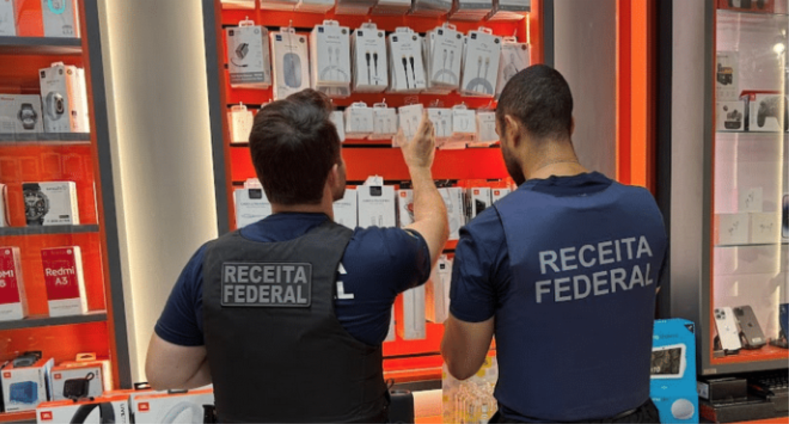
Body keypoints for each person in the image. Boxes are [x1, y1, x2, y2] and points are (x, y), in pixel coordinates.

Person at [145, 89, 448, 424]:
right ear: (334, 173)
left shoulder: (210, 263)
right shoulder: (372, 256)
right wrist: (419, 167)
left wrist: (246, 359)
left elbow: (164, 372)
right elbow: (434, 227)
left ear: (262, 176)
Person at [441, 65, 667, 424]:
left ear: (511, 129)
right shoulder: (644, 210)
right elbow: (630, 303)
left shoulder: (490, 233)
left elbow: (462, 362)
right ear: (570, 125)